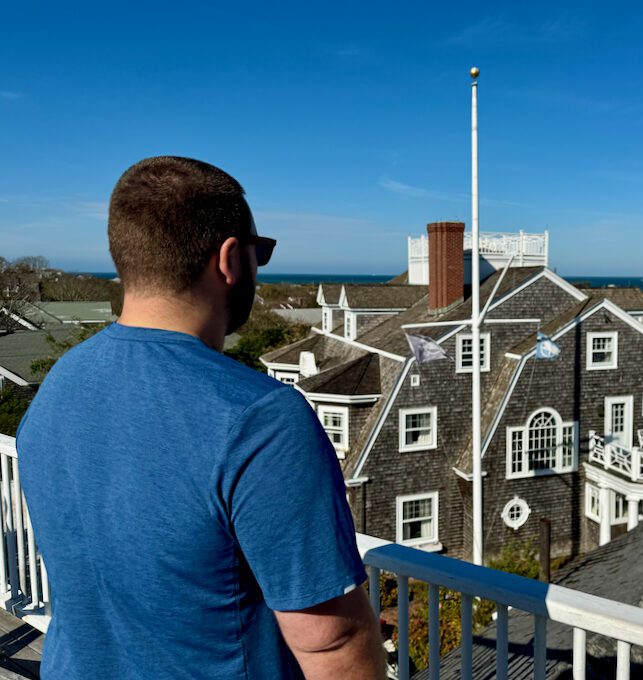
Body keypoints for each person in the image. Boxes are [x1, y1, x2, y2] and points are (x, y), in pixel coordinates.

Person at [17, 156, 385, 679]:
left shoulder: (60, 385)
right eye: (261, 251)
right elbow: (331, 640)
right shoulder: (260, 419)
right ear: (230, 259)